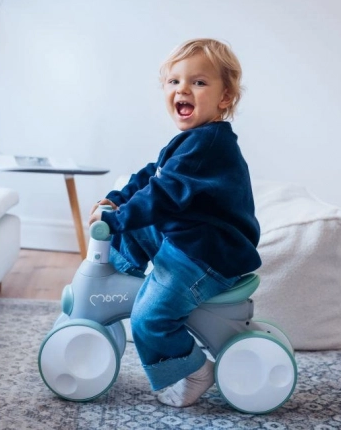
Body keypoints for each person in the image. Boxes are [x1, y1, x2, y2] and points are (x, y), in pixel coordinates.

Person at [88, 38, 261, 408]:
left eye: (198, 82)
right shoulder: (193, 140)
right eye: (174, 82)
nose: (183, 89)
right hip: (190, 237)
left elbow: (163, 194)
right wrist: (118, 199)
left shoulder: (210, 144)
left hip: (206, 255)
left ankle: (192, 370)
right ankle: (122, 279)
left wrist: (117, 219)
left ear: (225, 98)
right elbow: (154, 175)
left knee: (148, 319)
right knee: (136, 225)